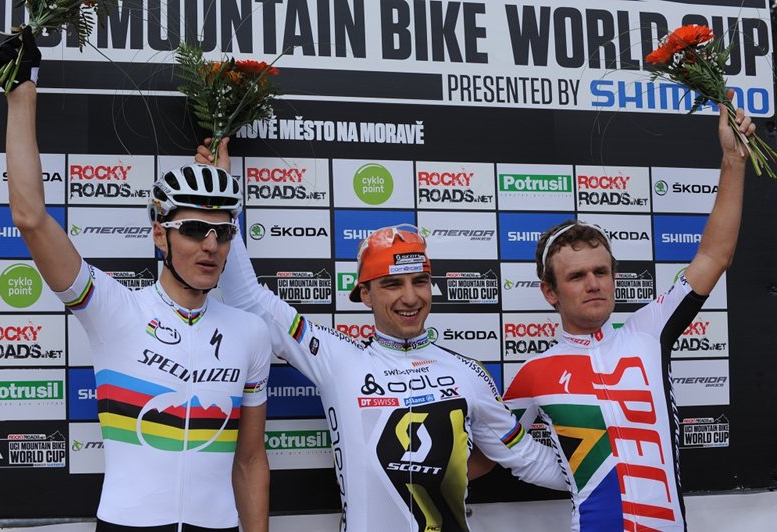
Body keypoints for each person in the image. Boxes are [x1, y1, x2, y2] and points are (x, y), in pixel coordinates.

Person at [196, 141, 567, 532]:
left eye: (419, 281)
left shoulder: (468, 373)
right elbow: (248, 298)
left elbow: (528, 459)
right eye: (392, 284)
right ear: (365, 295)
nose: (410, 298)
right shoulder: (337, 358)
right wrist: (222, 199)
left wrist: (607, 476)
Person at [0, 30, 271, 532]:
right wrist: (22, 93)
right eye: (194, 229)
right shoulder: (115, 309)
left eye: (223, 232)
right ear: (160, 235)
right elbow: (30, 218)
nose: (210, 245)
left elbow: (251, 461)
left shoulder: (250, 332)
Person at [502, 98, 755, 531]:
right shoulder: (533, 372)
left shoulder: (648, 330)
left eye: (601, 272)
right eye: (577, 276)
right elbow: (492, 448)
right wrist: (568, 470)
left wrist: (733, 160)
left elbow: (715, 255)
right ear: (550, 292)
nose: (593, 283)